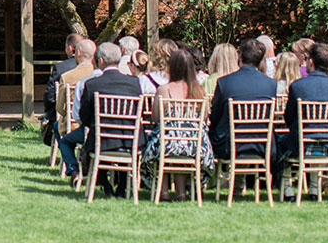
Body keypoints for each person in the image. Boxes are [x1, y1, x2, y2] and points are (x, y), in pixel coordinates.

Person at [59, 42, 142, 195]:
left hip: (101, 140)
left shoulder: (92, 84)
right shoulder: (135, 84)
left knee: (86, 140)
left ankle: (104, 183)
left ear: (101, 61)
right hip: (129, 140)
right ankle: (123, 185)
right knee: (114, 143)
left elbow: (84, 117)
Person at [141, 48, 213, 201]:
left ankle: (164, 191)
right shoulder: (200, 91)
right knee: (179, 142)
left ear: (171, 67)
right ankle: (180, 193)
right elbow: (205, 117)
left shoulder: (163, 90)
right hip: (194, 146)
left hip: (166, 145)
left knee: (164, 139)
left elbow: (155, 118)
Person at [276, 42, 328, 200]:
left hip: (301, 145)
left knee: (279, 140)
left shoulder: (297, 86)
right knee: (310, 139)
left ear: (311, 61)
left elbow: (288, 117)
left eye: (306, 59)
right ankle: (313, 189)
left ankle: (287, 189)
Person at [208, 38, 277, 161]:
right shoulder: (271, 84)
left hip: (229, 146)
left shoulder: (225, 82)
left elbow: (215, 116)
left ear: (239, 56)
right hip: (262, 145)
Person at [43, 33, 84, 140]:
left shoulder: (60, 68)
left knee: (56, 126)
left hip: (65, 116)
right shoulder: (95, 70)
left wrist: (49, 113)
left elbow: (50, 95)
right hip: (89, 118)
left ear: (70, 48)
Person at [57, 39, 96, 124]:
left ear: (78, 53)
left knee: (56, 126)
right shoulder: (99, 75)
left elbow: (61, 109)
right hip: (95, 123)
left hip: (73, 124)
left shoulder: (66, 77)